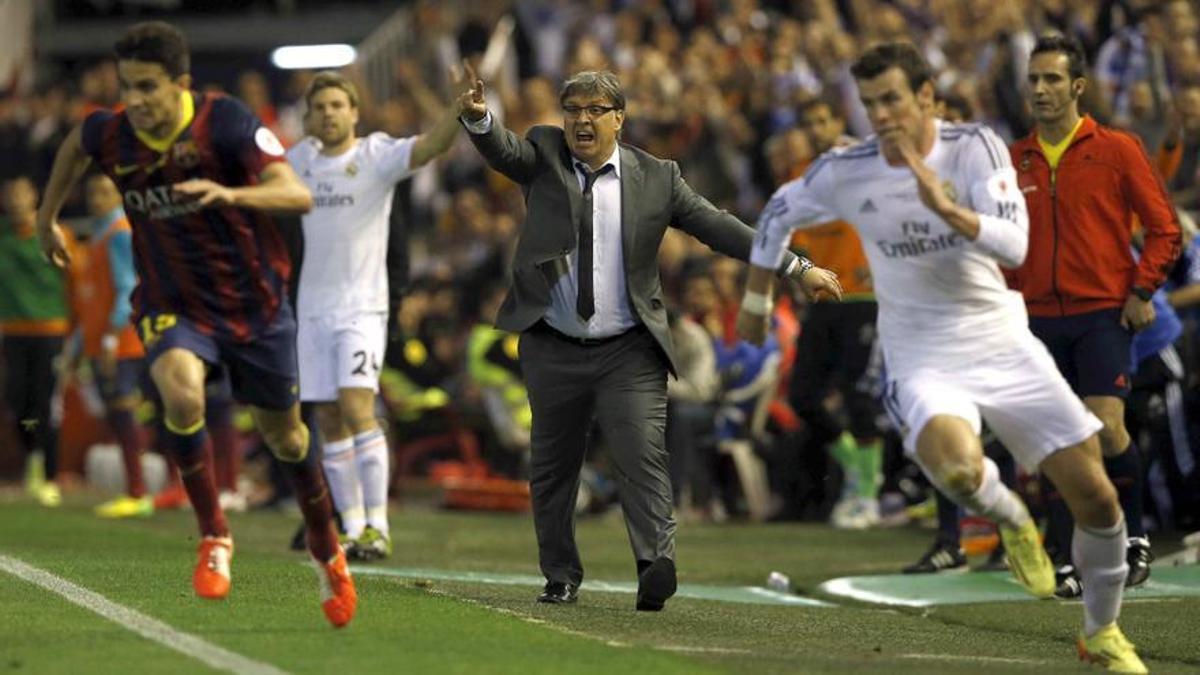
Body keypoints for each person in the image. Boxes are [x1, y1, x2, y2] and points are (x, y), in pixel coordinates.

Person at [738, 42, 1145, 672]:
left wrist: (944, 205)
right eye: (870, 103)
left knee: (1097, 498)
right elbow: (776, 212)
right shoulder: (849, 169)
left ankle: (1102, 633)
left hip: (1003, 340)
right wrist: (757, 299)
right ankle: (1013, 520)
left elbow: (1014, 245)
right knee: (957, 470)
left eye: (893, 99)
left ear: (926, 96)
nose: (882, 115)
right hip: (922, 353)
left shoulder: (973, 146)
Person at [458, 65, 840, 611]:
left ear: (619, 118)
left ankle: (655, 564)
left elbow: (719, 226)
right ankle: (561, 574)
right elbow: (503, 151)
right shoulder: (542, 154)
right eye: (572, 110)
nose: (581, 120)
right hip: (554, 344)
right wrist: (478, 119)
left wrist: (794, 265)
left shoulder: (658, 177)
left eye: (594, 110)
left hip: (627, 348)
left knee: (643, 454)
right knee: (552, 468)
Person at [34, 21, 356, 627]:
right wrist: (49, 215)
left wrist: (231, 195)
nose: (136, 102)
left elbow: (295, 195)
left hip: (255, 307)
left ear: (180, 83)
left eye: (148, 88)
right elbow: (77, 142)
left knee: (287, 439)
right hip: (173, 303)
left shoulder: (226, 123)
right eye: (128, 88)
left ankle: (326, 549)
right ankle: (214, 535)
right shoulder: (115, 133)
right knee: (180, 392)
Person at [1008, 35, 1181, 598]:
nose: (1041, 89)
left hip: (1103, 313)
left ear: (1078, 86)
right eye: (1034, 79)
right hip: (1034, 318)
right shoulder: (1014, 160)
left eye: (1052, 79)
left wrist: (1142, 288)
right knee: (1055, 443)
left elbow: (1165, 229)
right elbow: (1000, 245)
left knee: (1105, 429)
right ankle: (1067, 558)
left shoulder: (1118, 149)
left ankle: (1132, 539)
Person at [286, 70, 463, 560]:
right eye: (320, 107)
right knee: (326, 416)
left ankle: (379, 526)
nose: (328, 113)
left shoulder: (375, 156)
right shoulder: (297, 162)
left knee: (358, 407)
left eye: (337, 105)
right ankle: (354, 525)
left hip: (362, 308)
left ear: (355, 112)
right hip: (311, 310)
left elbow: (429, 148)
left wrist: (458, 110)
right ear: (308, 117)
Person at [787, 98, 884, 529]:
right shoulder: (803, 175)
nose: (816, 129)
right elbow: (798, 240)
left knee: (857, 395)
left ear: (838, 121)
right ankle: (859, 469)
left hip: (863, 296)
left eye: (823, 120)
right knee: (803, 397)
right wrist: (803, 272)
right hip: (824, 298)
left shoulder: (862, 164)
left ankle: (866, 494)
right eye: (809, 123)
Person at [63, 173, 153, 519]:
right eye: (93, 192)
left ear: (119, 196)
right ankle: (139, 488)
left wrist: (111, 338)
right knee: (119, 413)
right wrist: (78, 345)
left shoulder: (118, 234)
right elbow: (91, 301)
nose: (98, 198)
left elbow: (127, 289)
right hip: (99, 340)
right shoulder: (96, 236)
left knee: (125, 409)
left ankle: (138, 491)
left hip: (121, 342)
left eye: (106, 191)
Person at [0, 176, 70, 508]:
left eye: (21, 194)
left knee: (47, 404)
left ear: (35, 197)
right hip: (13, 332)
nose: (15, 201)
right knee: (17, 401)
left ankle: (51, 476)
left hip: (51, 331)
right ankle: (33, 458)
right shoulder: (3, 238)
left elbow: (74, 280)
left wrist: (78, 334)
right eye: (10, 195)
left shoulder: (54, 234)